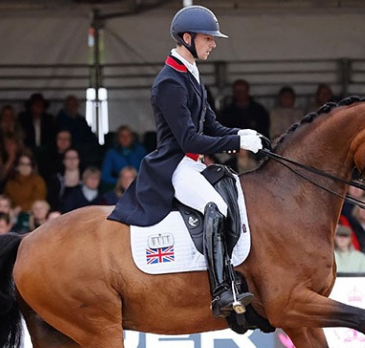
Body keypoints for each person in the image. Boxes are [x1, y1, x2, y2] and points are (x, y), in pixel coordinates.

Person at [108, 5, 262, 318]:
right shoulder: (170, 82)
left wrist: (244, 134)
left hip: (194, 162)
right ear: (187, 38)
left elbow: (212, 127)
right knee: (215, 207)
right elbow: (189, 140)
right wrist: (236, 142)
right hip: (175, 165)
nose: (213, 44)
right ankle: (223, 289)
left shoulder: (191, 74)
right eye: (208, 38)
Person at [55, 94, 100, 164]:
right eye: (70, 105)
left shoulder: (81, 120)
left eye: (74, 105)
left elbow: (91, 137)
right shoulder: (58, 120)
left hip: (82, 152)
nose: (72, 107)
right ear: (66, 106)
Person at [100, 125, 147, 190]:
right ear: (117, 138)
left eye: (128, 136)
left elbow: (146, 172)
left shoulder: (140, 151)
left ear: (132, 137)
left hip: (139, 186)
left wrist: (136, 181)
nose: (125, 138)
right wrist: (122, 181)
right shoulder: (111, 153)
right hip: (118, 187)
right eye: (122, 136)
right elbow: (105, 176)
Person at [18, 93, 56, 159]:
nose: (38, 107)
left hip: (45, 151)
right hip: (28, 150)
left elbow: (52, 138)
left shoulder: (49, 119)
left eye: (40, 105)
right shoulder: (23, 119)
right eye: (36, 105)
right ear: (31, 107)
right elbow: (20, 136)